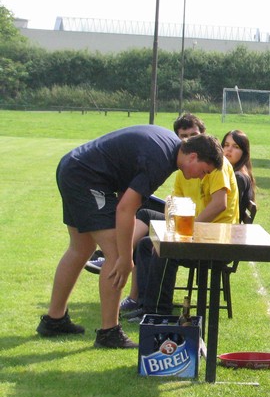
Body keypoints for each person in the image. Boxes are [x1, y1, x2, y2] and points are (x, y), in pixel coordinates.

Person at [36, 126, 222, 348]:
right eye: (204, 171)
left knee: (81, 248)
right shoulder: (161, 160)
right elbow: (125, 209)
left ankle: (54, 320)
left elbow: (126, 196)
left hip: (72, 167)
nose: (201, 177)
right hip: (86, 177)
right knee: (114, 257)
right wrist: (125, 257)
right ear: (193, 156)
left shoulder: (168, 147)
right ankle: (109, 333)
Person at [131, 131, 242, 319]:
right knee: (146, 244)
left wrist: (188, 228)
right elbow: (174, 205)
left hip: (217, 237)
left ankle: (158, 310)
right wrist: (171, 228)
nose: (201, 176)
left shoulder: (217, 166)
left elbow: (220, 204)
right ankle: (145, 304)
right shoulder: (182, 172)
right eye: (182, 134)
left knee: (166, 250)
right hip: (197, 232)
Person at [222, 129, 256, 220]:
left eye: (236, 147)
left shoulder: (239, 177)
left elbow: (230, 211)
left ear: (244, 153)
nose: (229, 149)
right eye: (226, 145)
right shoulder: (229, 172)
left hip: (230, 228)